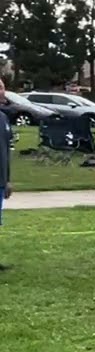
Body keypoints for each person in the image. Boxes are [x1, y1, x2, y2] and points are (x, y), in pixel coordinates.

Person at [0, 78, 12, 272]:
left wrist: (7, 180)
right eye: (0, 88)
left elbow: (6, 151)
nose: (4, 91)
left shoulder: (3, 117)